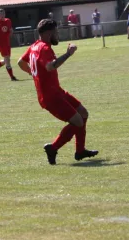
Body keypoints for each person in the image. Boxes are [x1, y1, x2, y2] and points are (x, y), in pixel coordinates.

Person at [18, 19, 99, 165]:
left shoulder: (34, 46)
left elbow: (20, 62)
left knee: (83, 113)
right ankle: (53, 148)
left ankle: (80, 151)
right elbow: (50, 66)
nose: (58, 35)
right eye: (56, 32)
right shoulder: (44, 48)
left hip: (56, 91)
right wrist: (68, 54)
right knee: (78, 121)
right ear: (49, 33)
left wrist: (33, 73)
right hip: (51, 97)